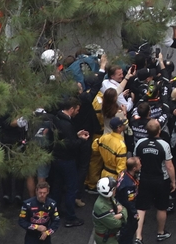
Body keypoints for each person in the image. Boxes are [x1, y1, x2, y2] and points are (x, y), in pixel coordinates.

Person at [134, 119, 175, 243]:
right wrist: (173, 181)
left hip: (144, 179)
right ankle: (160, 233)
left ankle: (138, 237)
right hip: (161, 180)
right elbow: (169, 166)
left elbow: (136, 160)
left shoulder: (140, 143)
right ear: (159, 130)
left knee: (141, 208)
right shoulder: (164, 145)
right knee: (161, 207)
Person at [51, 97, 89, 228]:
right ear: (71, 109)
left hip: (57, 158)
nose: (78, 112)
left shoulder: (57, 119)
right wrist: (81, 140)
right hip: (67, 160)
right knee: (71, 188)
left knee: (57, 187)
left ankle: (54, 212)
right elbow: (71, 145)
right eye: (77, 110)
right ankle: (70, 217)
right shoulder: (67, 124)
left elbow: (66, 139)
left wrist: (75, 135)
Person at [92, 177, 127, 244]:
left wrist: (118, 216)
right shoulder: (101, 206)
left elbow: (123, 209)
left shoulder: (110, 198)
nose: (115, 190)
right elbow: (116, 224)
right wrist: (122, 215)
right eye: (114, 189)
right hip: (106, 239)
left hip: (110, 236)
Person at [116, 157, 141, 244]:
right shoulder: (129, 185)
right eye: (139, 165)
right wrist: (135, 215)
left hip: (120, 203)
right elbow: (129, 203)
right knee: (128, 232)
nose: (141, 165)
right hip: (126, 211)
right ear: (134, 168)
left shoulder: (123, 172)